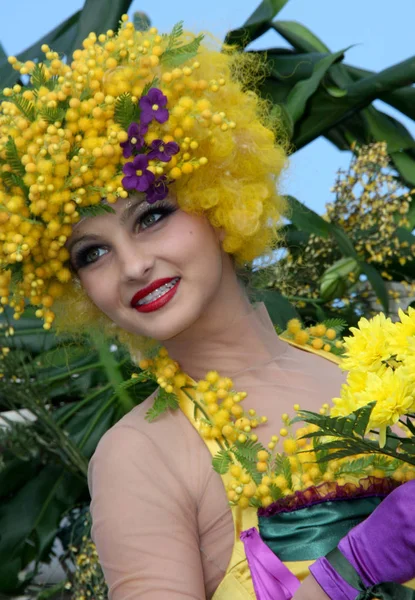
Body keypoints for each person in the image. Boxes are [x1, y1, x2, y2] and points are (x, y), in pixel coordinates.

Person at [0, 16, 414, 600]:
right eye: (92, 252)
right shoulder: (142, 454)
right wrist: (353, 568)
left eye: (151, 216)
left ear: (218, 195)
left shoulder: (374, 372)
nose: (134, 266)